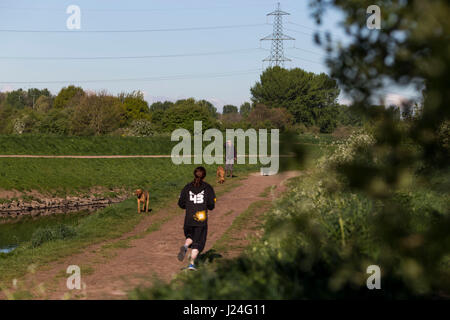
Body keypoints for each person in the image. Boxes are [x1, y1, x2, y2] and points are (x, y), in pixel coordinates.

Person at [177, 166, 216, 270]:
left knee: (190, 236)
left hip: (189, 218)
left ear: (194, 174)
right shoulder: (208, 188)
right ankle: (192, 264)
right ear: (204, 176)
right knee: (198, 243)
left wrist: (189, 206)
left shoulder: (187, 187)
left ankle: (185, 246)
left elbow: (180, 203)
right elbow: (212, 205)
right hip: (201, 219)